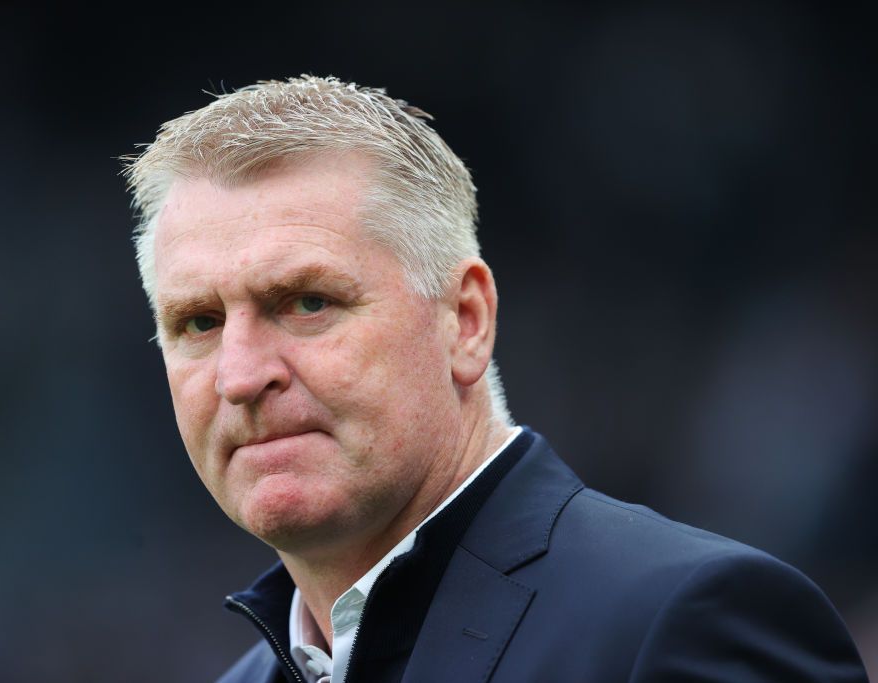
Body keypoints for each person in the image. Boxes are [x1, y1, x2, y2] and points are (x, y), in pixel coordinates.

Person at [123, 76, 868, 683]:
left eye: (308, 302)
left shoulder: (684, 627)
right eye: (198, 322)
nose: (242, 375)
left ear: (466, 320)